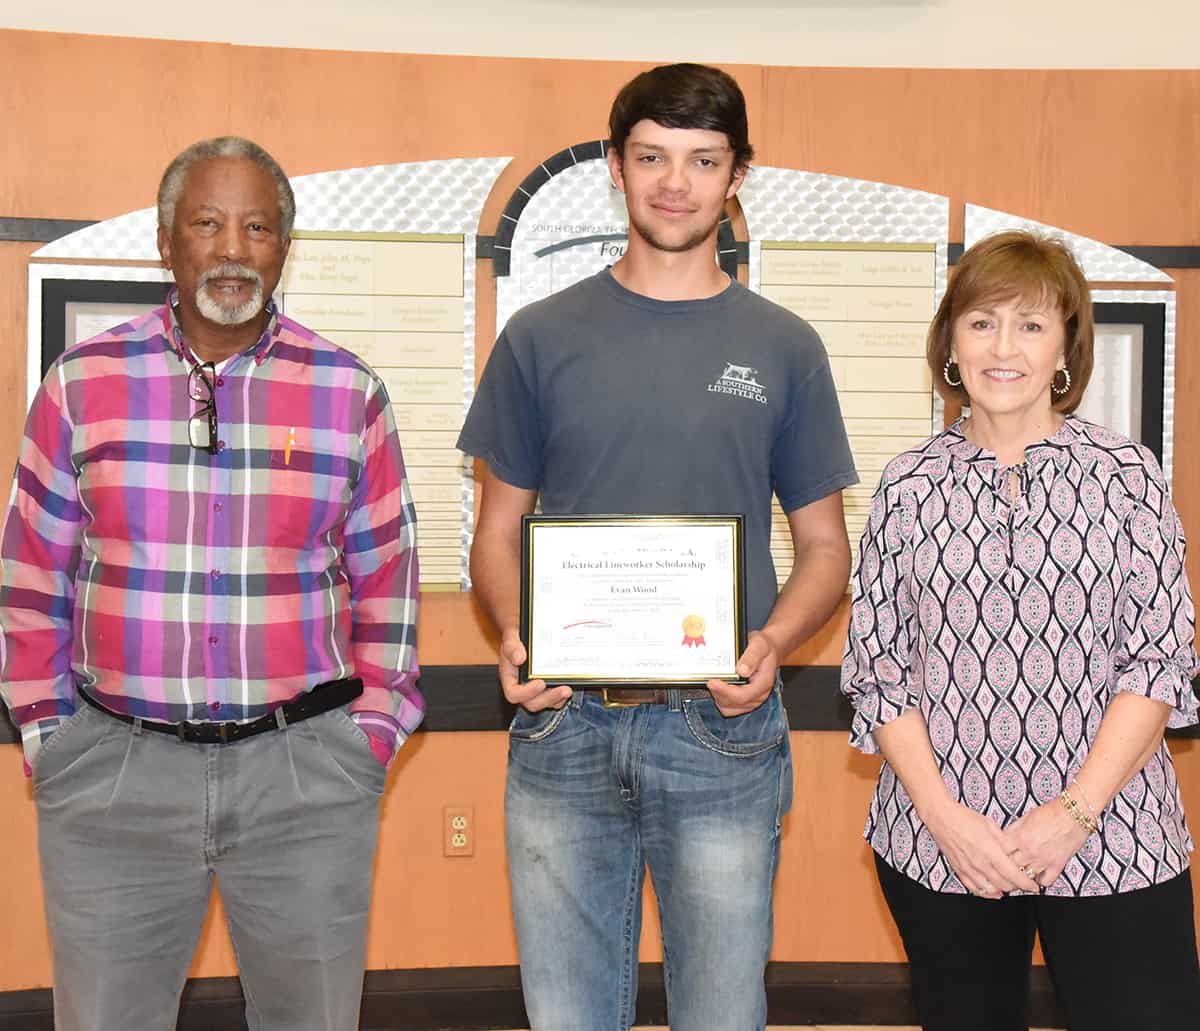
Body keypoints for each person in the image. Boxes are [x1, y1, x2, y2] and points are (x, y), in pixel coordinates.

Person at [458, 63, 857, 1031]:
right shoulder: (538, 337)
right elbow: (496, 531)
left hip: (721, 727)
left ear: (737, 176)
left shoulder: (786, 346)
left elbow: (825, 549)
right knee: (566, 1014)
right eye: (652, 157)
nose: (676, 183)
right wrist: (513, 631)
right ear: (615, 165)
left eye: (703, 160)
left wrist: (772, 645)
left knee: (722, 1012)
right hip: (563, 726)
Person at [0, 136, 422, 1030]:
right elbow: (32, 572)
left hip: (305, 776)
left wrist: (370, 736)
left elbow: (387, 578)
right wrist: (50, 735)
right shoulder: (81, 384)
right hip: (115, 772)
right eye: (207, 223)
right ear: (166, 243)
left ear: (283, 248)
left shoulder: (349, 392)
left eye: (257, 228)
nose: (233, 249)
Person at [841, 230, 1200, 1031]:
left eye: (1031, 325)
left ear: (1066, 349)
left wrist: (1072, 813)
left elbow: (1158, 661)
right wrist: (948, 822)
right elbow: (879, 673)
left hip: (1113, 831)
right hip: (945, 843)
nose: (1004, 348)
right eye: (982, 322)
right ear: (951, 344)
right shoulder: (906, 486)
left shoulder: (1127, 476)